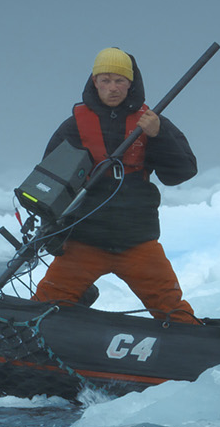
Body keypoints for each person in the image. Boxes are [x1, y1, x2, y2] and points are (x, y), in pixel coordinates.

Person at [32, 47, 201, 324]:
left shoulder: (153, 122)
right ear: (94, 81)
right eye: (106, 80)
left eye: (120, 80)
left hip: (137, 243)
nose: (113, 88)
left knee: (173, 311)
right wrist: (53, 231)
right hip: (83, 243)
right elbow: (49, 184)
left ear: (130, 83)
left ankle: (197, 355)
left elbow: (182, 172)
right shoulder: (73, 127)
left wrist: (158, 136)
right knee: (43, 307)